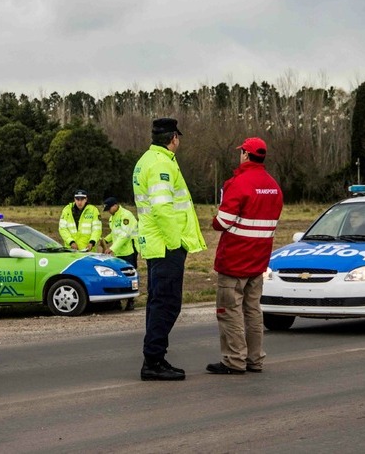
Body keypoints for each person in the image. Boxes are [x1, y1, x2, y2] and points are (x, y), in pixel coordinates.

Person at [133, 117, 207, 381]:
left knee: (158, 303)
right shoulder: (161, 164)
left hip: (156, 244)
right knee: (166, 304)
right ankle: (153, 361)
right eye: (178, 137)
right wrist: (176, 243)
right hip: (166, 245)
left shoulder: (148, 160)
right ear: (173, 138)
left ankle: (154, 357)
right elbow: (162, 207)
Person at [207, 137, 283, 375]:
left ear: (246, 155)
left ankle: (234, 359)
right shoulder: (273, 186)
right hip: (258, 259)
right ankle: (254, 359)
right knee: (253, 310)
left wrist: (214, 220)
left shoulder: (238, 183)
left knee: (229, 310)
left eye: (242, 152)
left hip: (235, 260)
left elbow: (222, 222)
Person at [102, 197, 138, 311]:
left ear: (115, 205)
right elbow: (115, 233)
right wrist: (105, 240)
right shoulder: (113, 218)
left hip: (129, 250)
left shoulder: (126, 215)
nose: (108, 211)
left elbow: (124, 235)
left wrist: (111, 248)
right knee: (117, 276)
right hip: (119, 252)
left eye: (109, 209)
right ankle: (117, 301)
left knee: (130, 276)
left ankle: (131, 301)